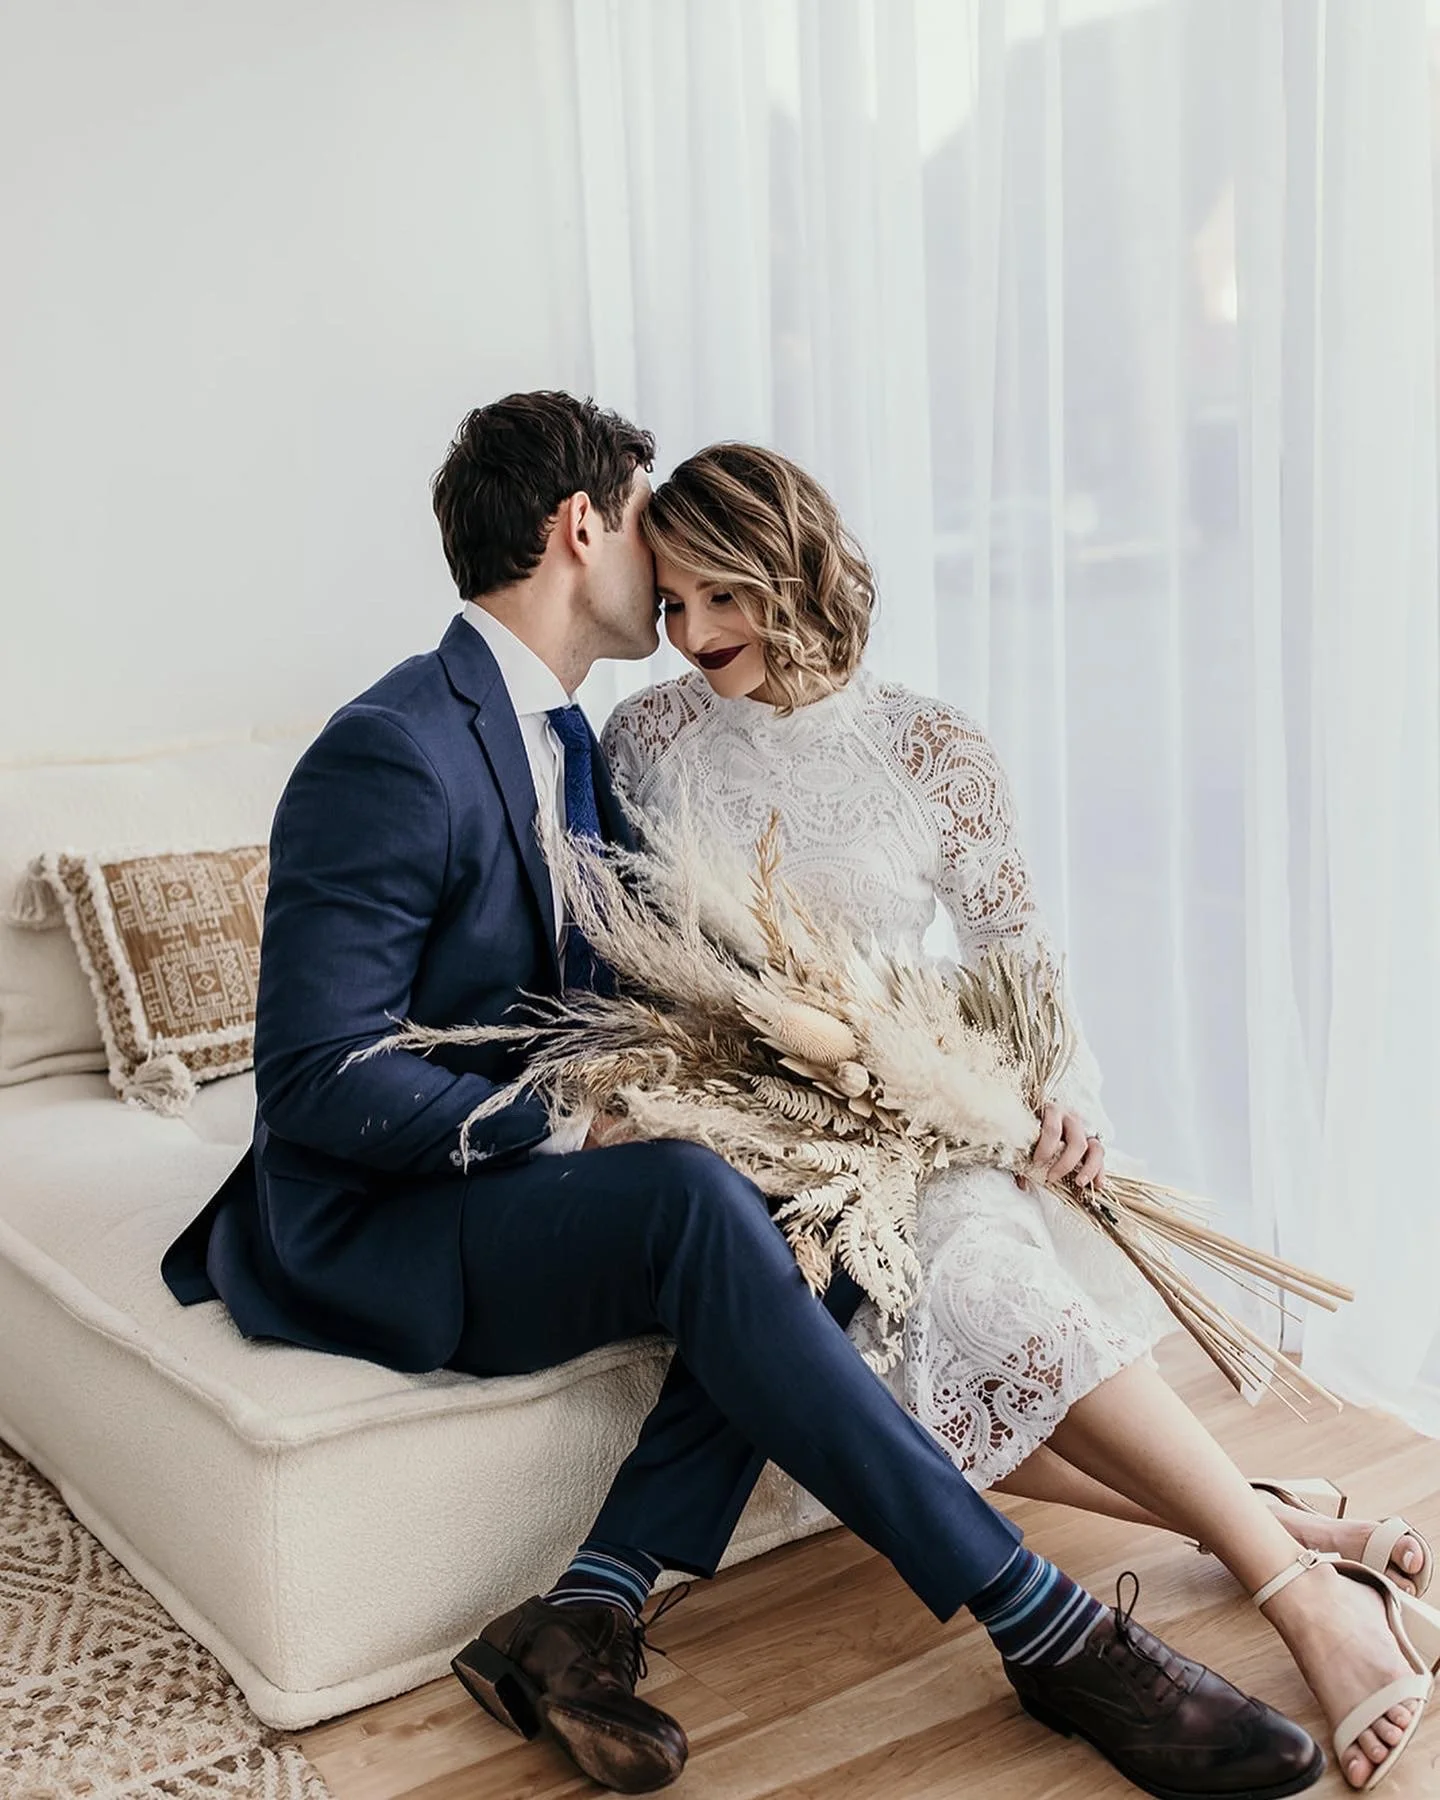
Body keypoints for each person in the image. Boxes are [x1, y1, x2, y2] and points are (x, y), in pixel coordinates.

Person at [163, 394, 1326, 1799]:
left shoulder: (591, 743)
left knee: (822, 1210)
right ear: (581, 527)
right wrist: (583, 1122)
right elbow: (311, 1077)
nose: (664, 568)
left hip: (520, 1183)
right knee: (694, 1197)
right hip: (373, 1217)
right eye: (648, 523)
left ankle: (582, 1616)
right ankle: (1050, 1628)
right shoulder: (394, 744)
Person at [599, 439, 1438, 1794]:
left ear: (795, 571)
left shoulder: (931, 744)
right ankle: (1276, 1519)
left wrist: (1064, 1102)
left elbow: (1017, 956)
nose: (693, 635)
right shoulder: (642, 743)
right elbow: (638, 960)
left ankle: (1304, 1601)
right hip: (766, 1148)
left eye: (724, 598)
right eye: (675, 602)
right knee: (875, 1404)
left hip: (932, 1120)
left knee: (985, 1302)